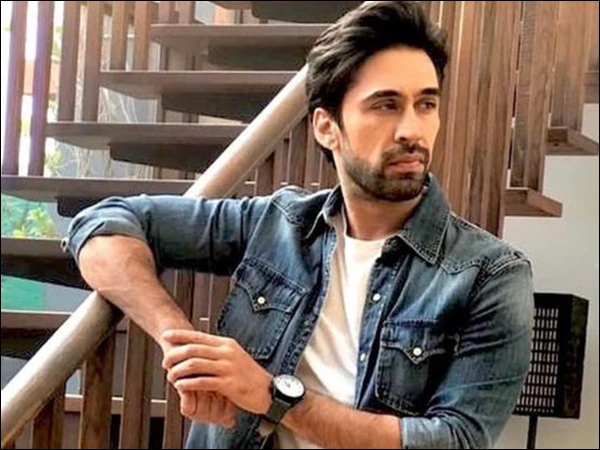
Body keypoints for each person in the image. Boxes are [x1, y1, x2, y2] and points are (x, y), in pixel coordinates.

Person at [65, 1, 534, 448]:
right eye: (386, 105)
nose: (412, 130)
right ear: (326, 127)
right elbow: (103, 223)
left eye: (426, 104)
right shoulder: (278, 225)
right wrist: (181, 343)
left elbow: (457, 439)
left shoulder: (489, 273)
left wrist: (273, 397)